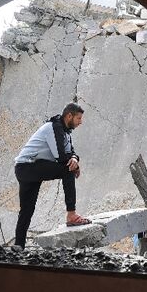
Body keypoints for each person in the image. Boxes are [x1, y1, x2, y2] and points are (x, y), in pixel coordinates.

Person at [12, 103, 89, 248]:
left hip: (31, 168)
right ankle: (71, 214)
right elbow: (60, 156)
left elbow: (71, 151)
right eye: (78, 118)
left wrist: (75, 159)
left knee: (27, 210)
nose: (81, 122)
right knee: (68, 170)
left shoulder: (65, 132)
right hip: (26, 167)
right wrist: (73, 164)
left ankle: (18, 246)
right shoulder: (54, 127)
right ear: (69, 116)